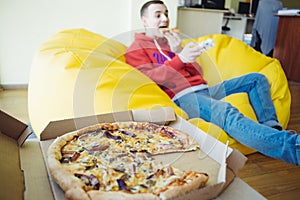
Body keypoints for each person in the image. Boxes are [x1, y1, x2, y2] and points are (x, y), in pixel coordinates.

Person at [125, 0, 300, 165]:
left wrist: (178, 50)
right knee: (226, 111)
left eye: (166, 13)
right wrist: (179, 58)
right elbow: (151, 78)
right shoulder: (136, 49)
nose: (165, 19)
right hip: (183, 97)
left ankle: (271, 129)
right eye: (158, 15)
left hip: (204, 89)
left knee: (257, 79)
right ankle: (293, 147)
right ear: (144, 20)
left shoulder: (170, 42)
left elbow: (197, 72)